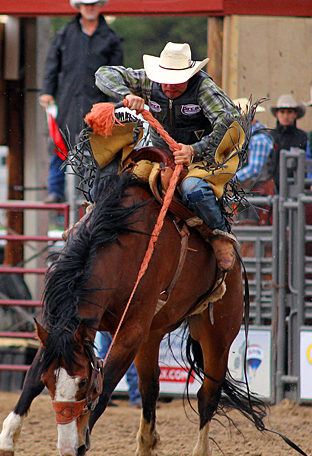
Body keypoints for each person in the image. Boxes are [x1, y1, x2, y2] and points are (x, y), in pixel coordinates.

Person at [95, 42, 242, 271]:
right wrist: (125, 95)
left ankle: (219, 234)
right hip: (158, 155)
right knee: (113, 176)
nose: (168, 86)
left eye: (176, 81)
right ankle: (94, 220)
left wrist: (196, 149)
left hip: (199, 159)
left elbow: (230, 121)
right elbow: (103, 73)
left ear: (188, 76)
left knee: (194, 189)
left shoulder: (203, 88)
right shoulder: (148, 80)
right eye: (165, 79)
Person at [40, 0, 123, 204]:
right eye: (86, 4)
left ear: (100, 6)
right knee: (60, 142)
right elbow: (52, 65)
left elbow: (117, 73)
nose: (90, 8)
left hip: (99, 103)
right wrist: (48, 92)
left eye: (93, 4)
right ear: (79, 7)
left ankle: (91, 194)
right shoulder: (65, 34)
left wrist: (115, 101)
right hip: (68, 99)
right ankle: (56, 190)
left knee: (95, 147)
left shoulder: (110, 38)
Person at [267, 93, 308, 191]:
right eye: (282, 112)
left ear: (295, 114)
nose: (285, 116)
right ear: (277, 114)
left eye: (289, 112)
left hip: (296, 186)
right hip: (273, 188)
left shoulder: (303, 137)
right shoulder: (270, 136)